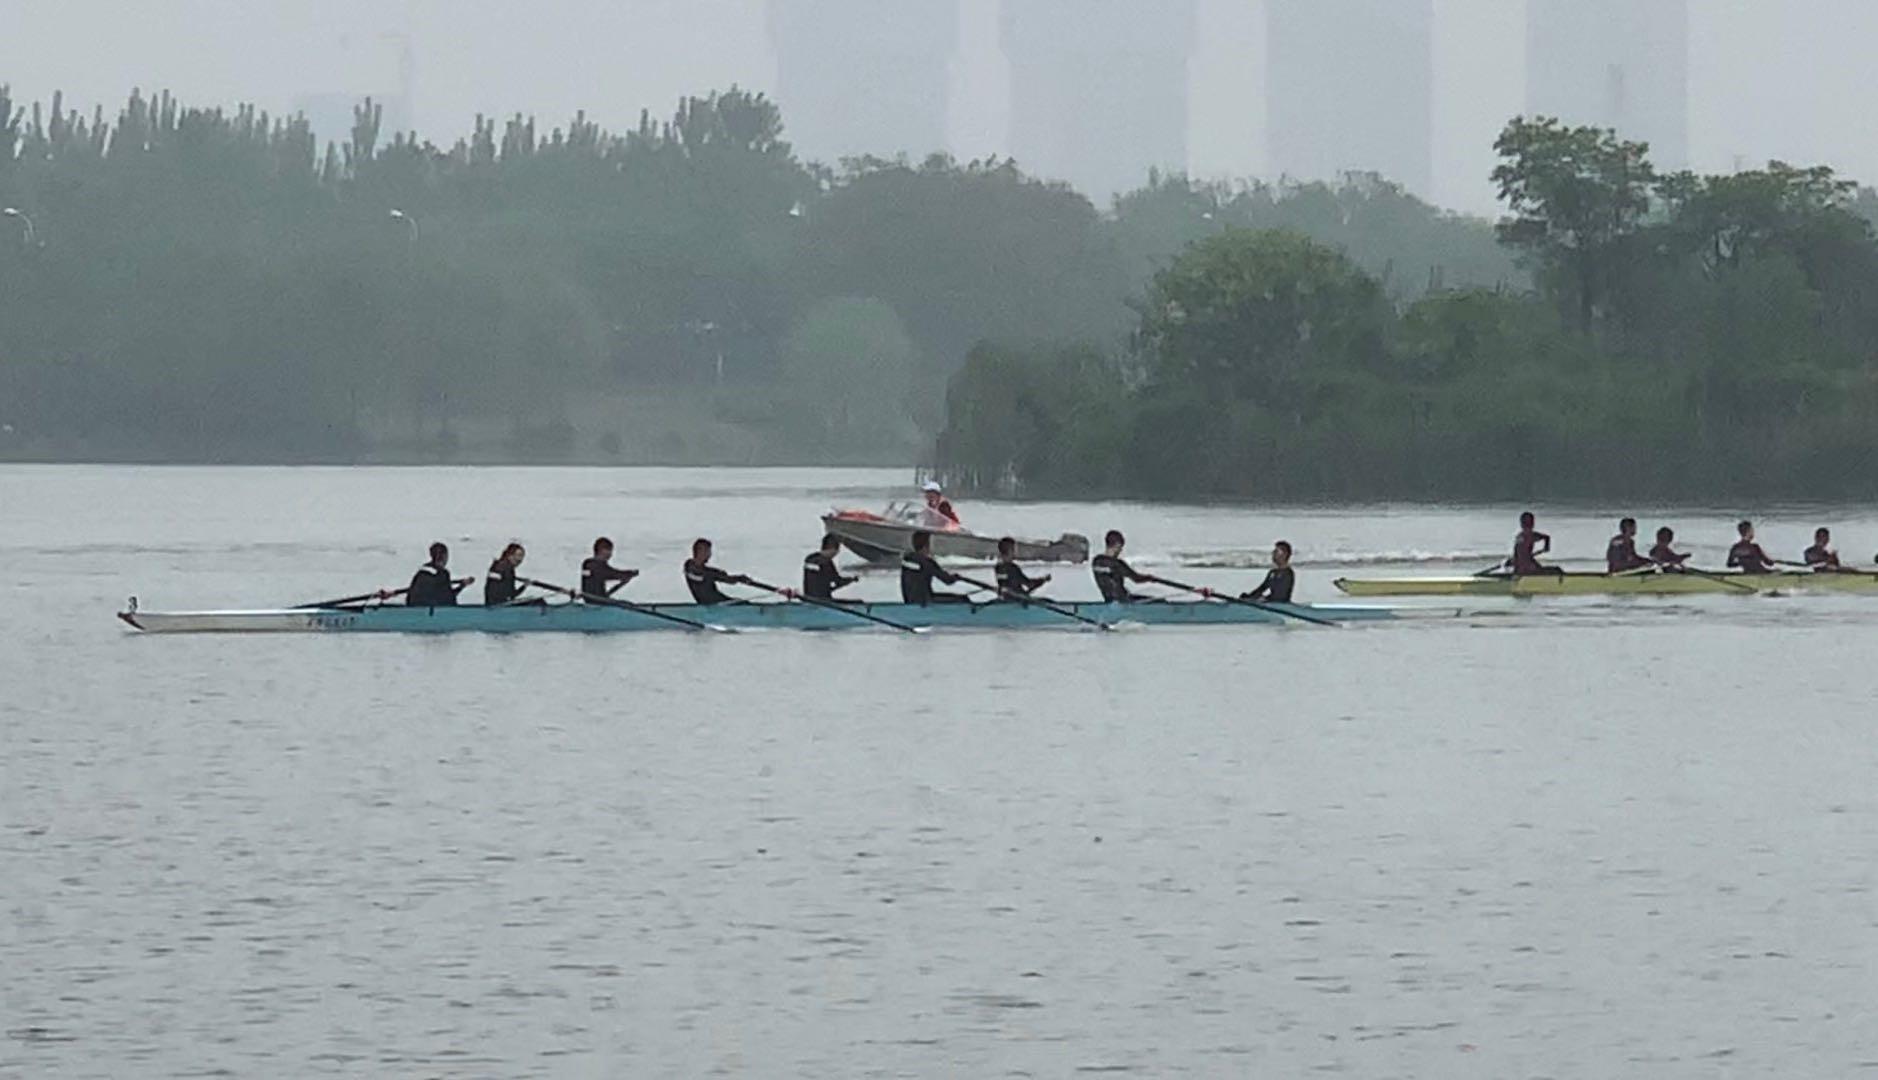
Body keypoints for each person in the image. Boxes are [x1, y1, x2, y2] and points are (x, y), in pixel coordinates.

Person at [900, 530, 967, 604]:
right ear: (926, 545)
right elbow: (947, 580)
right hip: (925, 603)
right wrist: (955, 577)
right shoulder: (927, 562)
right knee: (962, 600)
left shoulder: (907, 559)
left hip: (910, 601)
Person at [683, 538, 752, 605]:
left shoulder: (700, 569)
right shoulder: (690, 568)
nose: (709, 554)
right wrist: (737, 578)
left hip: (718, 602)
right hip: (715, 604)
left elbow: (709, 573)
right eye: (707, 551)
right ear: (700, 551)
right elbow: (704, 575)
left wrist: (736, 578)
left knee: (742, 602)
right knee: (743, 604)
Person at [1092, 530, 1151, 603]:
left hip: (1109, 600)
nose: (1121, 550)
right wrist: (1151, 578)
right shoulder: (1116, 564)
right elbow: (1137, 578)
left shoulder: (1096, 561)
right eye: (1120, 547)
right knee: (1155, 601)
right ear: (1117, 545)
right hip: (1123, 601)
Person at [407, 542, 468, 607]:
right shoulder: (442, 575)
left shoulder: (420, 574)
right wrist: (462, 586)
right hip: (437, 611)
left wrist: (461, 586)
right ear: (444, 557)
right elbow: (448, 599)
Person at [802, 534, 858, 601]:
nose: (836, 554)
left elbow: (834, 581)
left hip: (812, 598)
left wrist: (850, 580)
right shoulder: (824, 562)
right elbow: (837, 581)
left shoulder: (811, 559)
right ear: (833, 550)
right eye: (836, 551)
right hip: (822, 600)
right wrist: (852, 579)